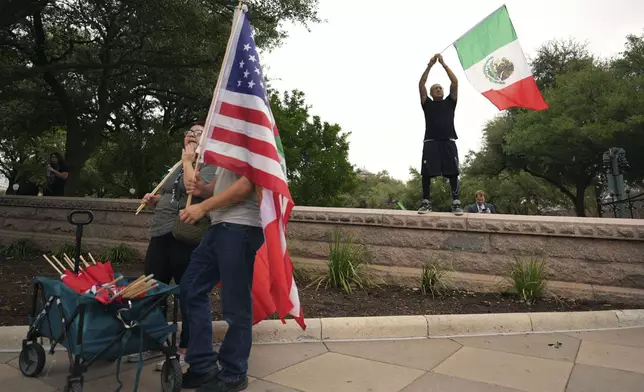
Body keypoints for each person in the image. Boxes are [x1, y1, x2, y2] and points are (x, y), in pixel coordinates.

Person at [137, 122, 217, 369]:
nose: (190, 136)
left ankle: (187, 349)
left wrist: (188, 160)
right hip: (161, 232)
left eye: (197, 133)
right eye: (188, 133)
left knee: (188, 292)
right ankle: (154, 342)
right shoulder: (177, 164)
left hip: (185, 235)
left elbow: (196, 190)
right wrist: (155, 200)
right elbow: (172, 194)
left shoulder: (209, 163)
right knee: (152, 288)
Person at [178, 167, 264, 391]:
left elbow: (247, 184)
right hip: (218, 226)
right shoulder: (227, 146)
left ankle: (234, 373)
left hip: (241, 226)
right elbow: (218, 187)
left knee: (236, 304)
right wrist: (203, 189)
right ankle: (203, 365)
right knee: (190, 288)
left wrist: (203, 207)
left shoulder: (249, 134)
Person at [418, 53, 463, 215]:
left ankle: (456, 203)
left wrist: (443, 64)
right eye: (435, 88)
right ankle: (426, 202)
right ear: (431, 93)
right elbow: (421, 84)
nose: (438, 89)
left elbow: (455, 82)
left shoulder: (450, 102)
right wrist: (429, 65)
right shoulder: (427, 103)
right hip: (431, 142)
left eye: (440, 88)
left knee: (453, 172)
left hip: (448, 141)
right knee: (426, 173)